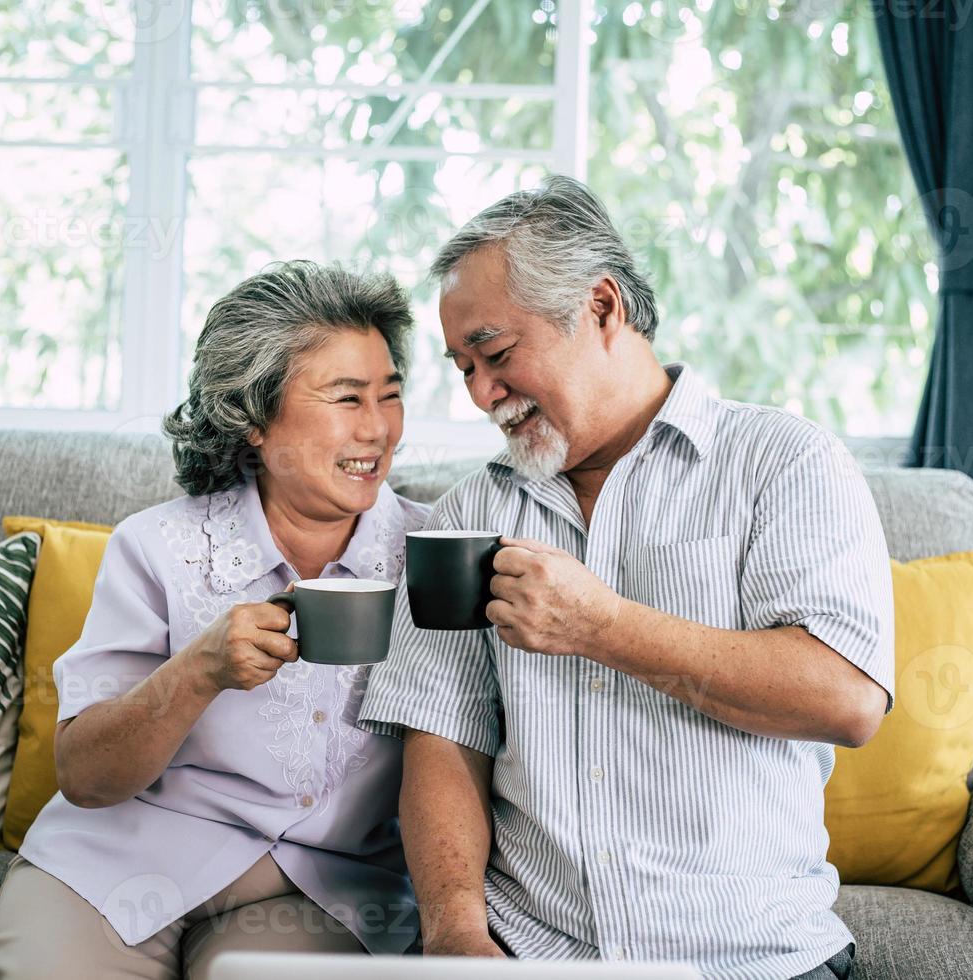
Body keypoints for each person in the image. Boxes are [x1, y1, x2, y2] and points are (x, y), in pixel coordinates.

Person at [358, 176, 894, 980]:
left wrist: (601, 627)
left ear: (603, 307)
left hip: (753, 961)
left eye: (497, 354)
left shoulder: (782, 462)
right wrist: (457, 940)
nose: (481, 394)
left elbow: (846, 700)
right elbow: (442, 740)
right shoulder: (470, 513)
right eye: (463, 367)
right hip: (531, 954)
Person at [0, 261, 429, 980]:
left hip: (323, 885)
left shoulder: (430, 557)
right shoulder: (156, 546)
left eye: (390, 395)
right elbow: (86, 776)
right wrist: (199, 671)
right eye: (346, 398)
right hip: (120, 856)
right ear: (253, 417)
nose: (379, 429)